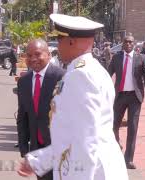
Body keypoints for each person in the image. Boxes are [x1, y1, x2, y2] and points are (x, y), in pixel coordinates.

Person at [18, 14, 128, 180]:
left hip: (90, 171)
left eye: (60, 40)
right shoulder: (93, 69)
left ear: (71, 41)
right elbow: (71, 135)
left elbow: (86, 140)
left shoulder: (80, 76)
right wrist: (38, 161)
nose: (58, 47)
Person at [17, 39, 65, 180]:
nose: (33, 59)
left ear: (48, 55)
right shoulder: (24, 81)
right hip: (37, 148)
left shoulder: (61, 77)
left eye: (38, 54)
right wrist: (24, 149)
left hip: (59, 149)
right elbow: (23, 116)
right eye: (29, 55)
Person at [108, 36, 145, 169]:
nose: (128, 44)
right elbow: (107, 76)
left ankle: (128, 159)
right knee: (113, 126)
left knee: (132, 128)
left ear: (134, 44)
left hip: (135, 97)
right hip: (120, 96)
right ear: (122, 44)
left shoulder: (140, 58)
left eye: (130, 42)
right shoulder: (116, 58)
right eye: (126, 41)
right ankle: (117, 145)